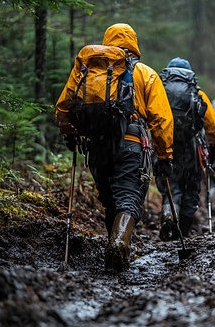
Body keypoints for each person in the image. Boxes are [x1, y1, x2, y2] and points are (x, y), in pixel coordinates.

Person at [55, 23, 174, 272]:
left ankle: (114, 247)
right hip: (132, 143)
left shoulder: (87, 70)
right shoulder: (145, 73)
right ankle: (119, 244)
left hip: (96, 146)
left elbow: (64, 106)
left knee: (110, 199)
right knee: (128, 196)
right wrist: (164, 156)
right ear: (133, 43)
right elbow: (161, 119)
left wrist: (70, 134)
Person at [156, 57, 215, 239]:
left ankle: (169, 212)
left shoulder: (160, 91)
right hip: (191, 147)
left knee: (171, 183)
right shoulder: (197, 93)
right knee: (191, 187)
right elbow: (213, 125)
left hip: (165, 143)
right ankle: (182, 231)